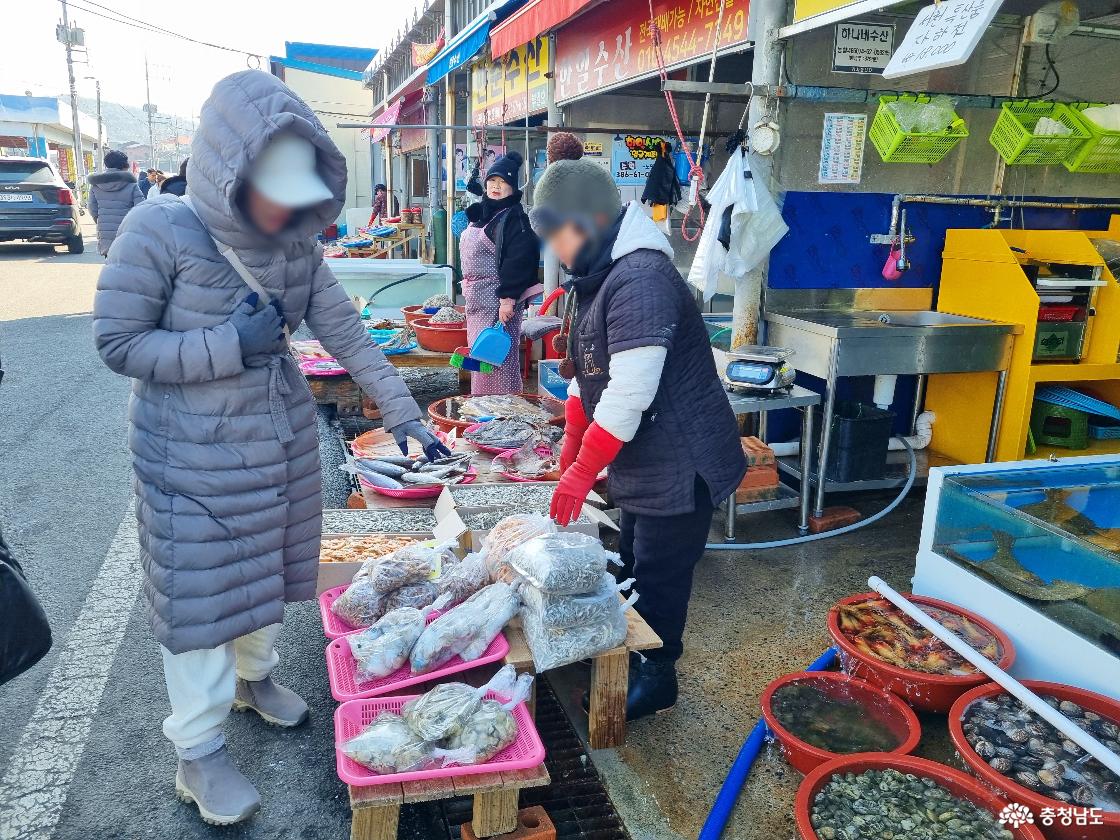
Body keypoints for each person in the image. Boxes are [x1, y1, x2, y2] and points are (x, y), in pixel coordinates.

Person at [92, 70, 449, 826]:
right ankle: (197, 750)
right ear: (228, 163)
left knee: (266, 578)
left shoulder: (294, 238)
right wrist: (227, 343)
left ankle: (256, 680)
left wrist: (404, 412)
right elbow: (118, 342)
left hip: (276, 446)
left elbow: (345, 329)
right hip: (188, 458)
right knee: (201, 599)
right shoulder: (158, 230)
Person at [529, 158, 746, 721]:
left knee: (658, 569)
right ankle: (628, 651)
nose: (558, 247)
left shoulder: (642, 278)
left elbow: (628, 392)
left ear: (597, 220)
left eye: (562, 232)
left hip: (682, 456)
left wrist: (582, 470)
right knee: (628, 558)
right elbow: (587, 374)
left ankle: (658, 673)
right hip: (643, 451)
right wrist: (572, 443)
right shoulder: (597, 274)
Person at [460, 151, 540, 395]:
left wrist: (507, 299)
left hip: (498, 302)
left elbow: (519, 260)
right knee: (480, 358)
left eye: (503, 182)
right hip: (477, 301)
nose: (496, 186)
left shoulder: (514, 219)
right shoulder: (484, 215)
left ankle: (502, 412)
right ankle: (480, 405)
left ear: (512, 188)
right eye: (492, 181)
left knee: (498, 360)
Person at [87, 150, 145, 256]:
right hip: (127, 231)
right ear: (124, 164)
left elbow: (92, 208)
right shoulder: (131, 184)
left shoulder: (96, 185)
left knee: (109, 262)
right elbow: (141, 208)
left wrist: (101, 220)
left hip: (105, 231)